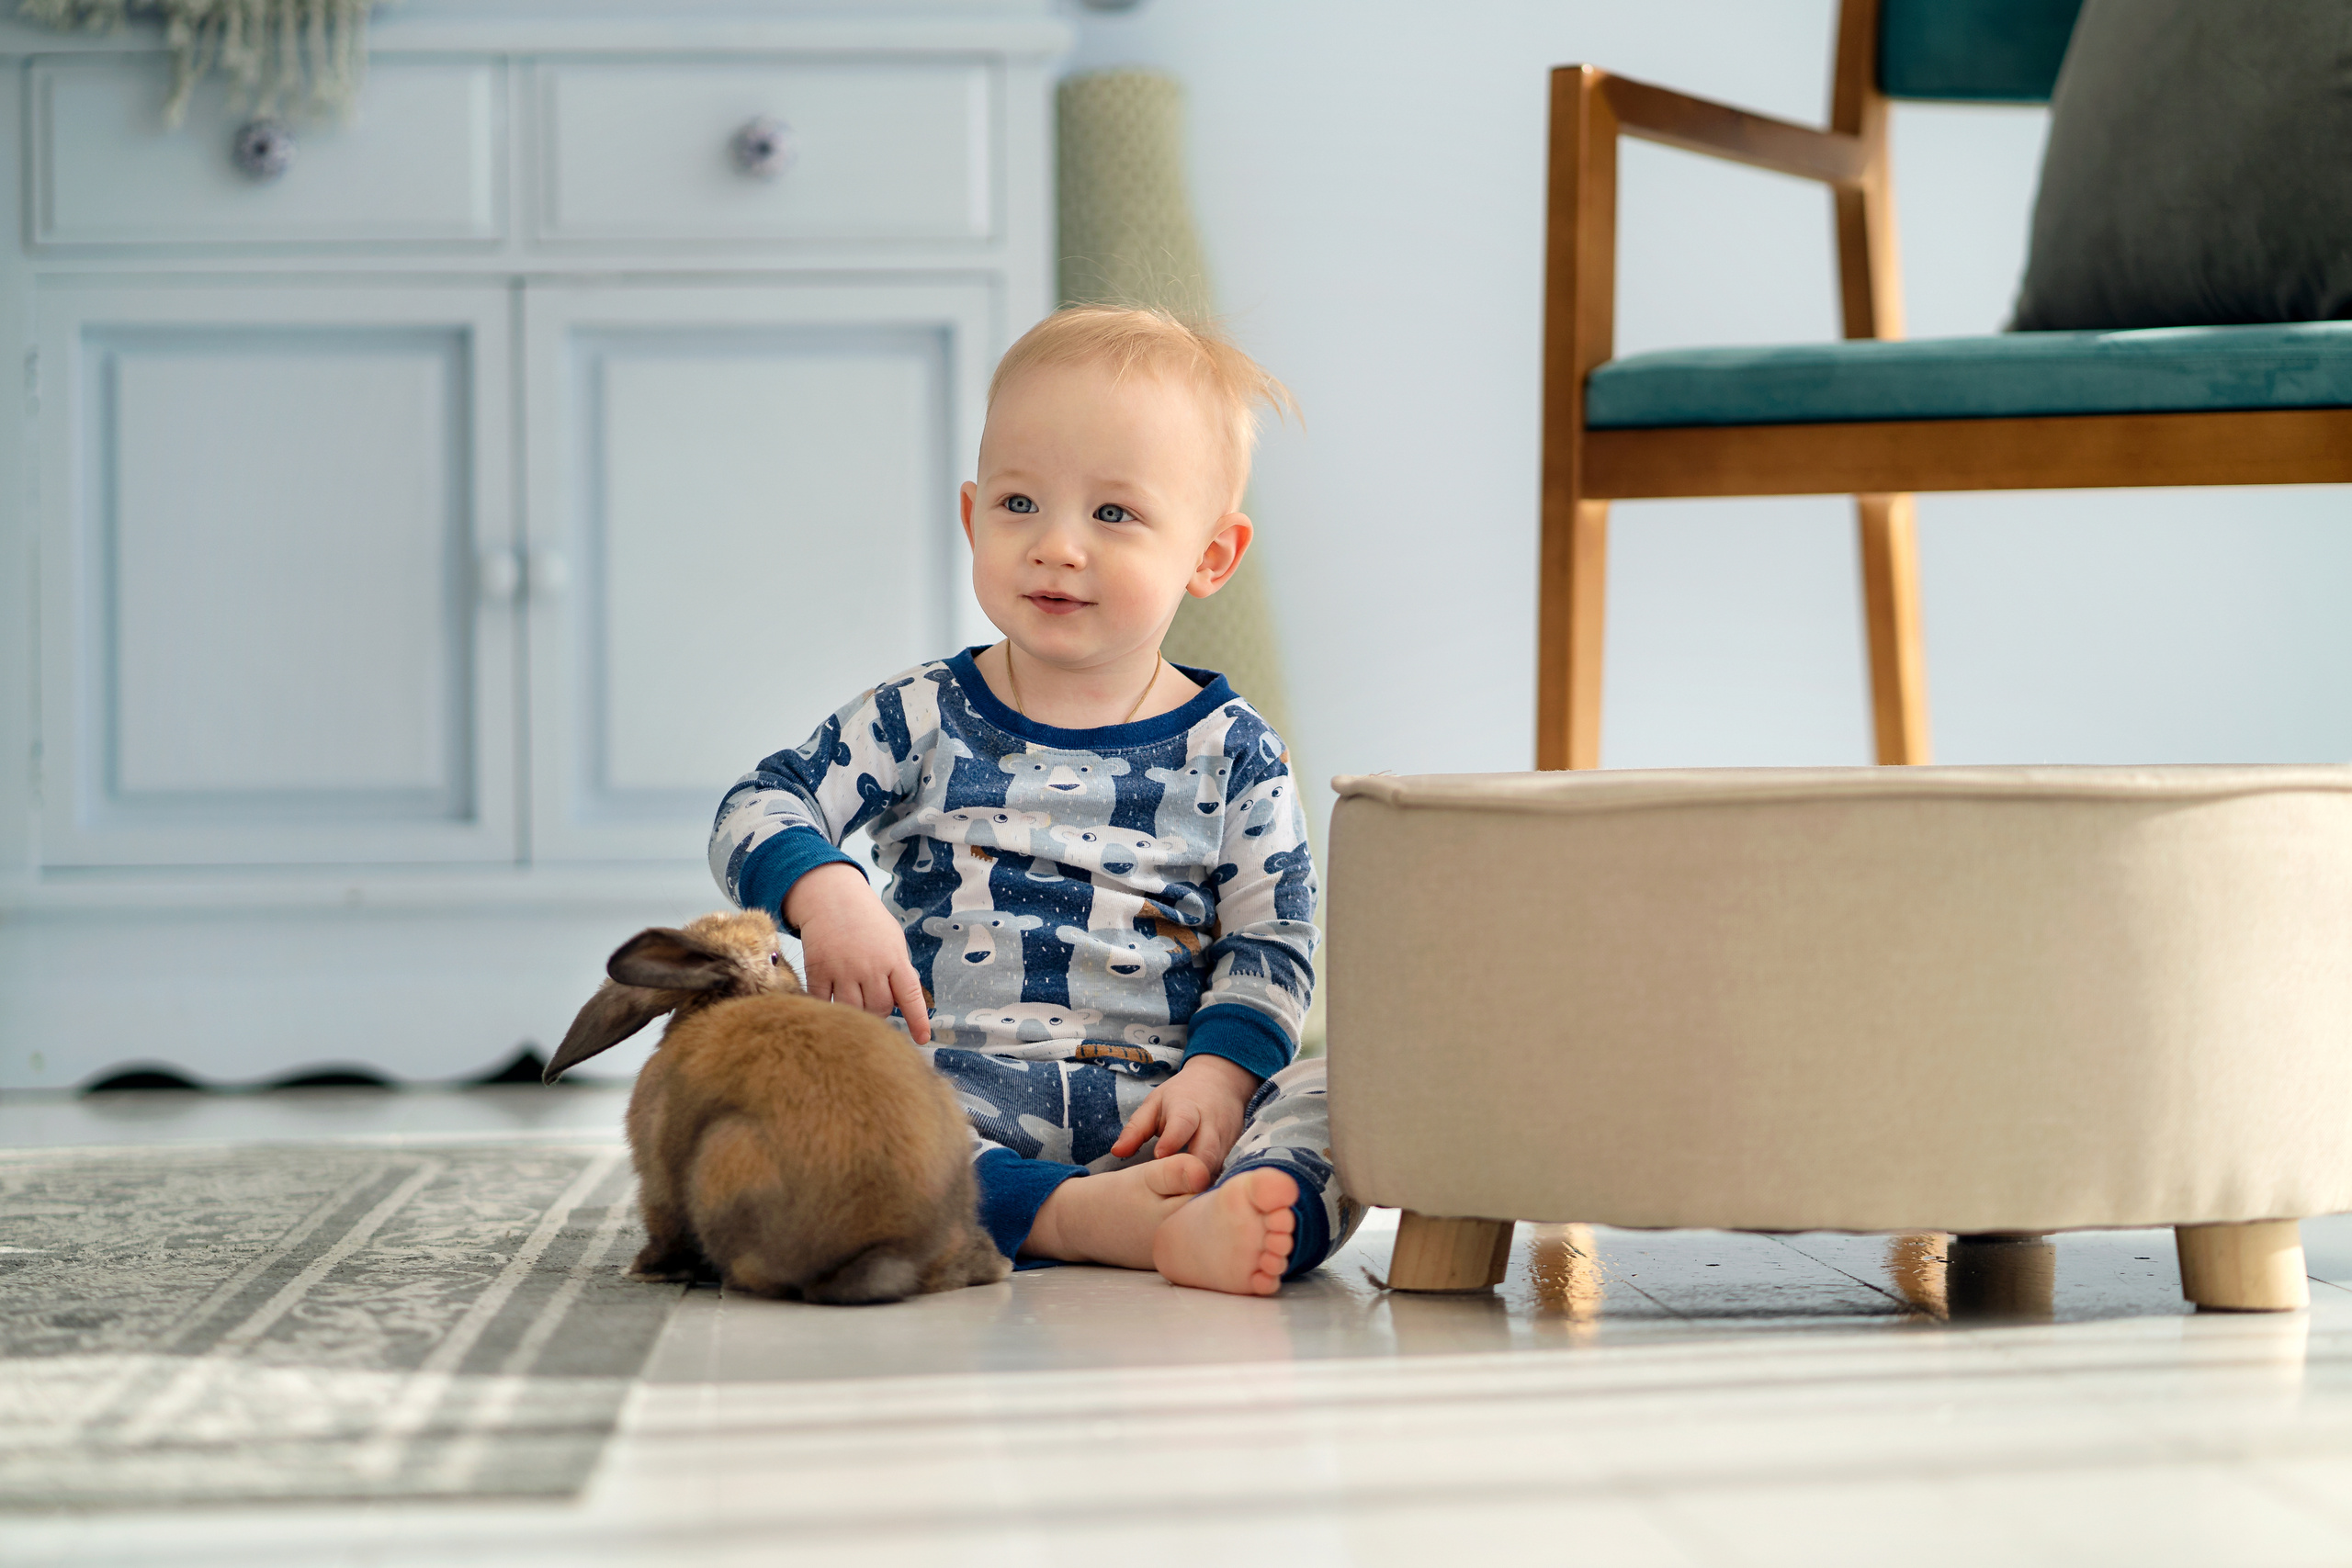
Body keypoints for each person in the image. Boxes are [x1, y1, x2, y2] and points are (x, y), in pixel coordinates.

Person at [708, 305, 1357, 1295]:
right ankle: (1080, 1220)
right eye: (1019, 505)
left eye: (1112, 514)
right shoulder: (919, 715)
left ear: (1210, 556)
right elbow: (764, 800)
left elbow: (1274, 943)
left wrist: (1220, 1083)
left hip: (1169, 1113)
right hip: (944, 1101)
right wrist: (827, 892)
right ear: (971, 515)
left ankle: (1239, 1202)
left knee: (1351, 1100)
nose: (1056, 546)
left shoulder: (1235, 752)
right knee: (815, 1113)